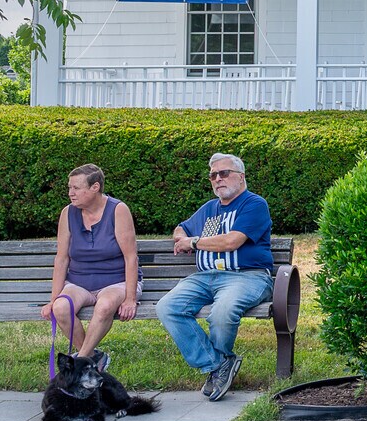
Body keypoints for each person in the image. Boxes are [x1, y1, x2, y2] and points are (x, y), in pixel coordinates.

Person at [156, 152, 274, 400]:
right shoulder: (209, 209)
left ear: (241, 177)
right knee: (168, 307)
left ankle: (218, 366)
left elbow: (232, 241)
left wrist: (195, 242)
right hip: (205, 277)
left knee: (222, 311)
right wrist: (181, 238)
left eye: (224, 173)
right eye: (213, 175)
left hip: (246, 276)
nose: (217, 179)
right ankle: (217, 364)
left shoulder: (254, 204)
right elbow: (182, 228)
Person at [38, 164, 139, 371]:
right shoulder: (68, 213)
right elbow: (62, 259)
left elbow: (131, 257)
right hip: (78, 282)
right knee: (60, 308)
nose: (70, 193)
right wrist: (52, 300)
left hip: (115, 281)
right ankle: (93, 359)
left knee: (103, 307)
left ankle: (79, 364)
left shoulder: (118, 210)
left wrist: (130, 298)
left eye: (76, 188)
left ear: (95, 187)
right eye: (69, 188)